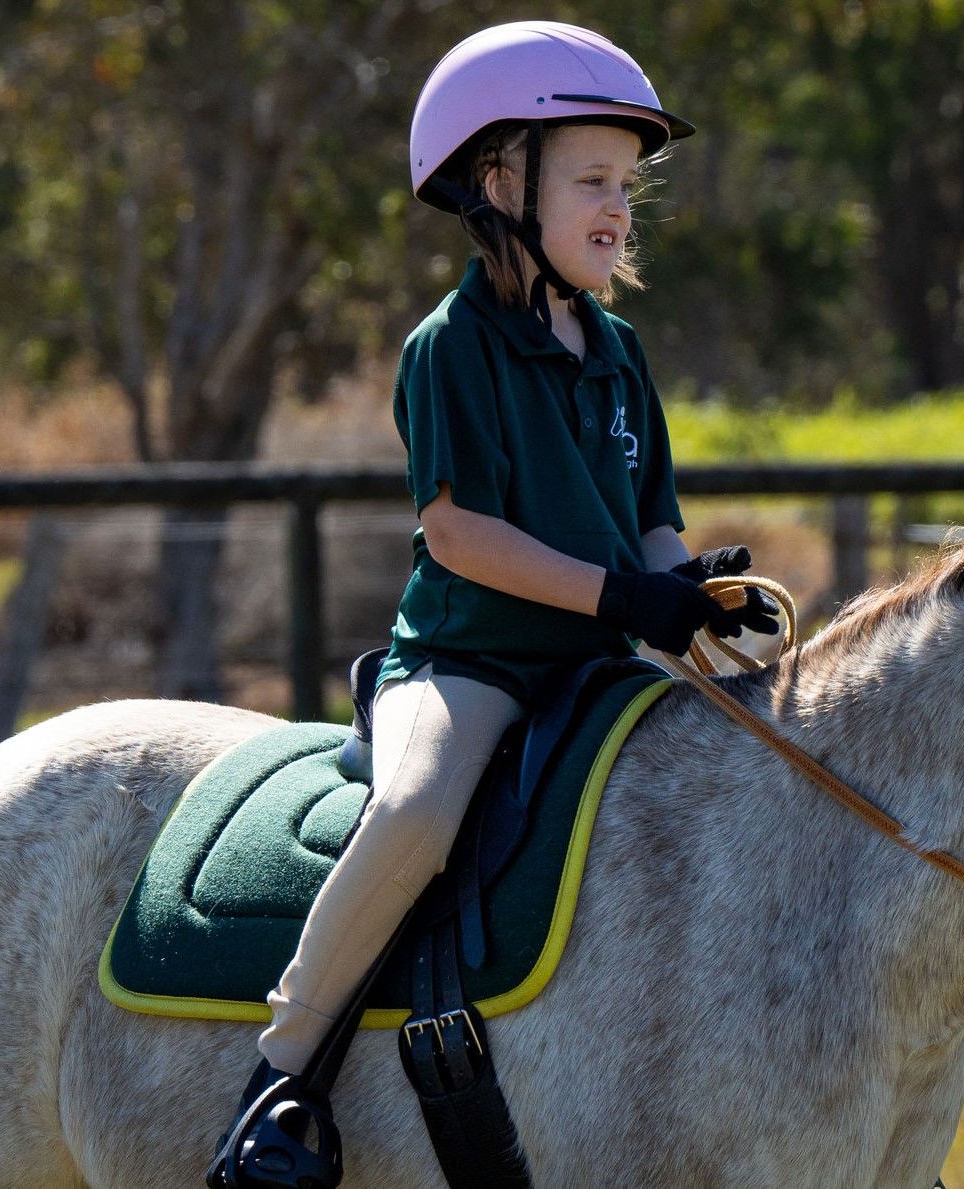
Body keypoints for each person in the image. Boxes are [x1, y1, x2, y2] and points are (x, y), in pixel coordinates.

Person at [209, 20, 776, 1184]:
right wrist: (627, 593)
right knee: (416, 814)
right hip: (468, 666)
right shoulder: (448, 346)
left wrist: (697, 596)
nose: (617, 207)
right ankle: (285, 1078)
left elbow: (651, 522)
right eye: (590, 180)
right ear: (498, 179)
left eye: (627, 184)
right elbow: (457, 535)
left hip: (599, 670)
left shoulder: (618, 353)